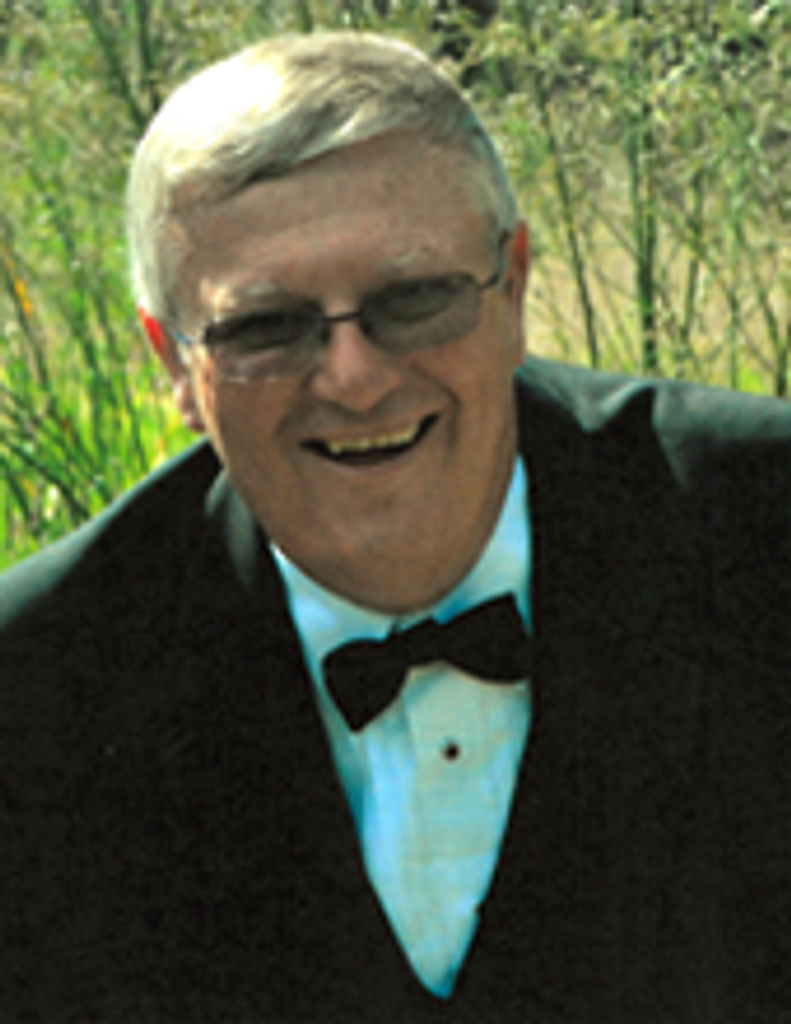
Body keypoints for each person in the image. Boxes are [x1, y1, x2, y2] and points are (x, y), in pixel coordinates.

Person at [2, 31, 791, 1024]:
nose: (355, 377)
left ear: (512, 288)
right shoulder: (35, 689)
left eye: (412, 299)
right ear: (173, 364)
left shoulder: (765, 528)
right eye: (265, 327)